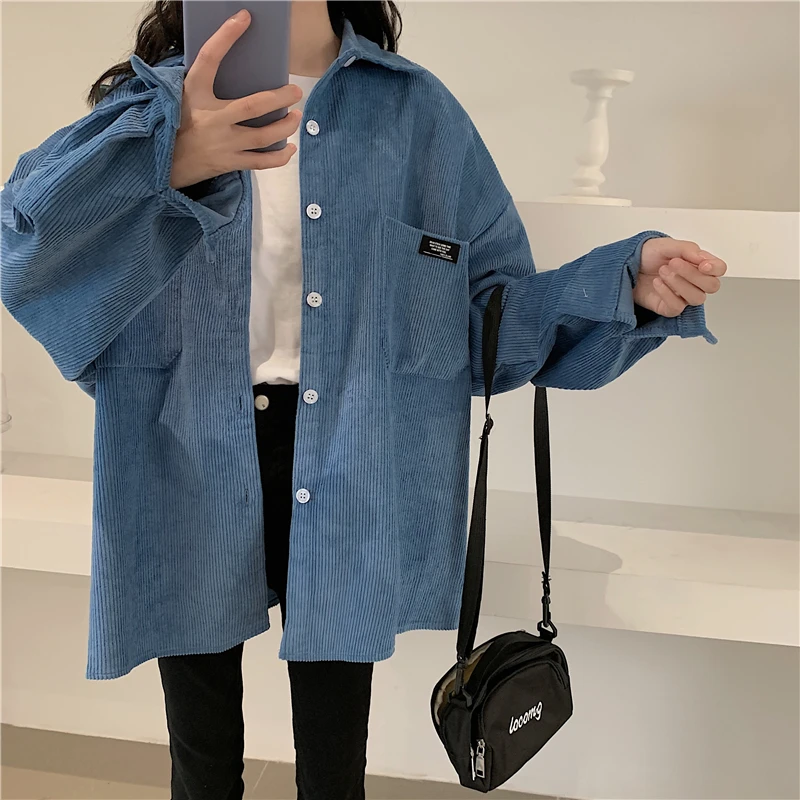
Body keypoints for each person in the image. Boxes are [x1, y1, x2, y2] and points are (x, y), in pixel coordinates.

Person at [0, 2, 727, 798]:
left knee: (336, 751)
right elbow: (26, 252)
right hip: (185, 443)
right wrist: (167, 159)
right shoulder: (152, 108)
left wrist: (621, 285)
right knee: (200, 755)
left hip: (357, 449)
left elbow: (491, 315)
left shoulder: (415, 113)